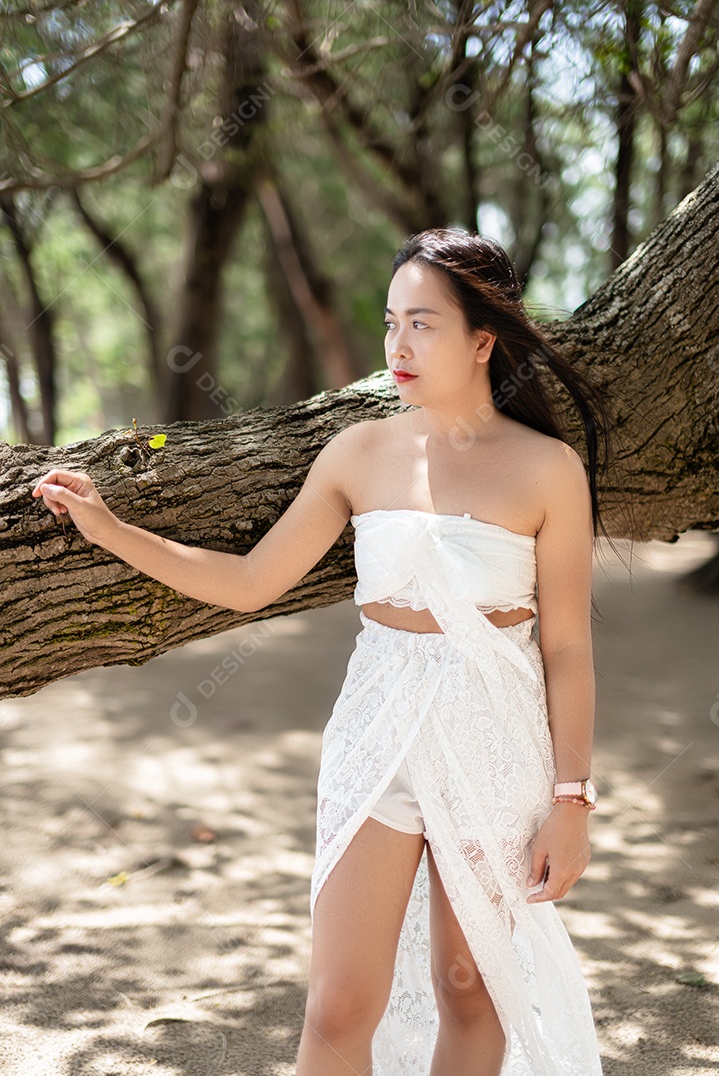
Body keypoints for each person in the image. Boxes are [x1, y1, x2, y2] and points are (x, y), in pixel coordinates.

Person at [32, 227, 616, 1075]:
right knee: (339, 1002)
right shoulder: (359, 451)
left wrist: (571, 800)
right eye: (390, 323)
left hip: (494, 739)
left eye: (422, 324)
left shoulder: (547, 469)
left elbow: (565, 644)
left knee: (470, 989)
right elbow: (249, 581)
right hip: (376, 728)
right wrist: (112, 528)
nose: (397, 345)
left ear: (483, 339)